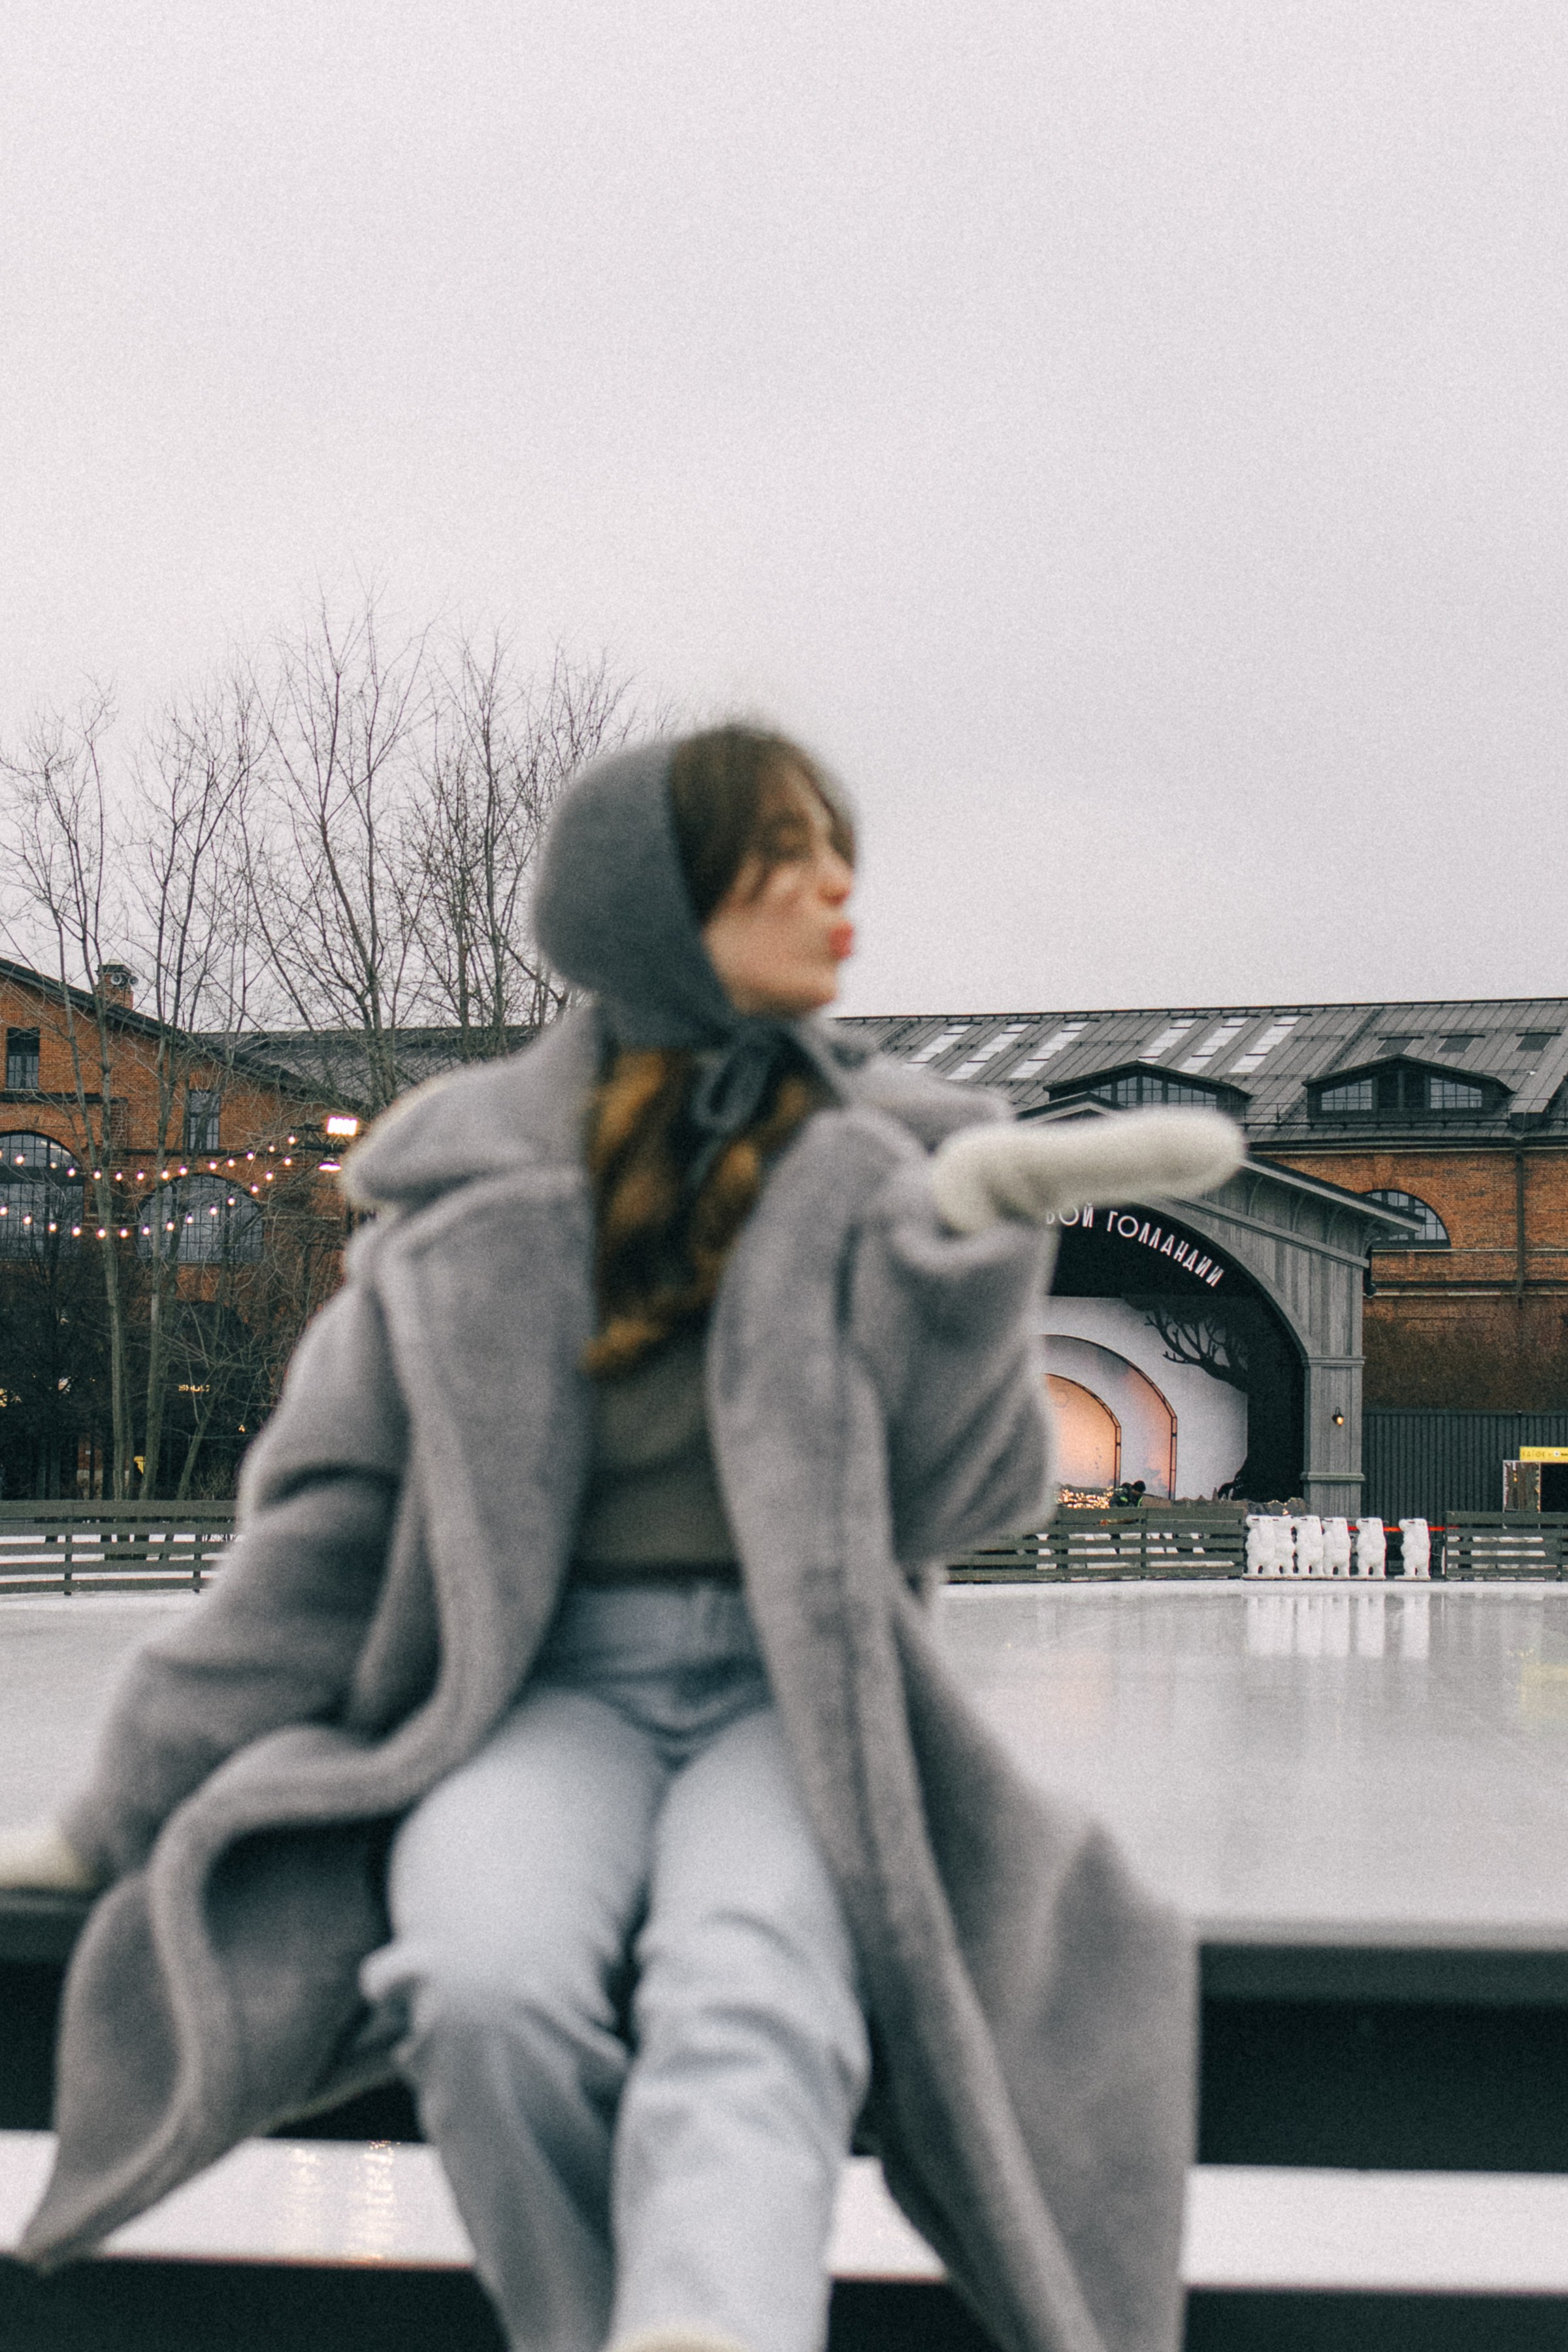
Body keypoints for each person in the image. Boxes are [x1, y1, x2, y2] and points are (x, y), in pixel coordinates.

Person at [1, 727, 1241, 2352]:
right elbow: (323, 1536)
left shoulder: (895, 1170)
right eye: (785, 854)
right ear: (660, 904)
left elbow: (977, 1499)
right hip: (538, 1695)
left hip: (790, 1702)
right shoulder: (468, 1203)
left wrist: (960, 1263)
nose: (836, 886)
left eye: (837, 845)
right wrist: (128, 1802)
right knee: (479, 1984)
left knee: (754, 1996)